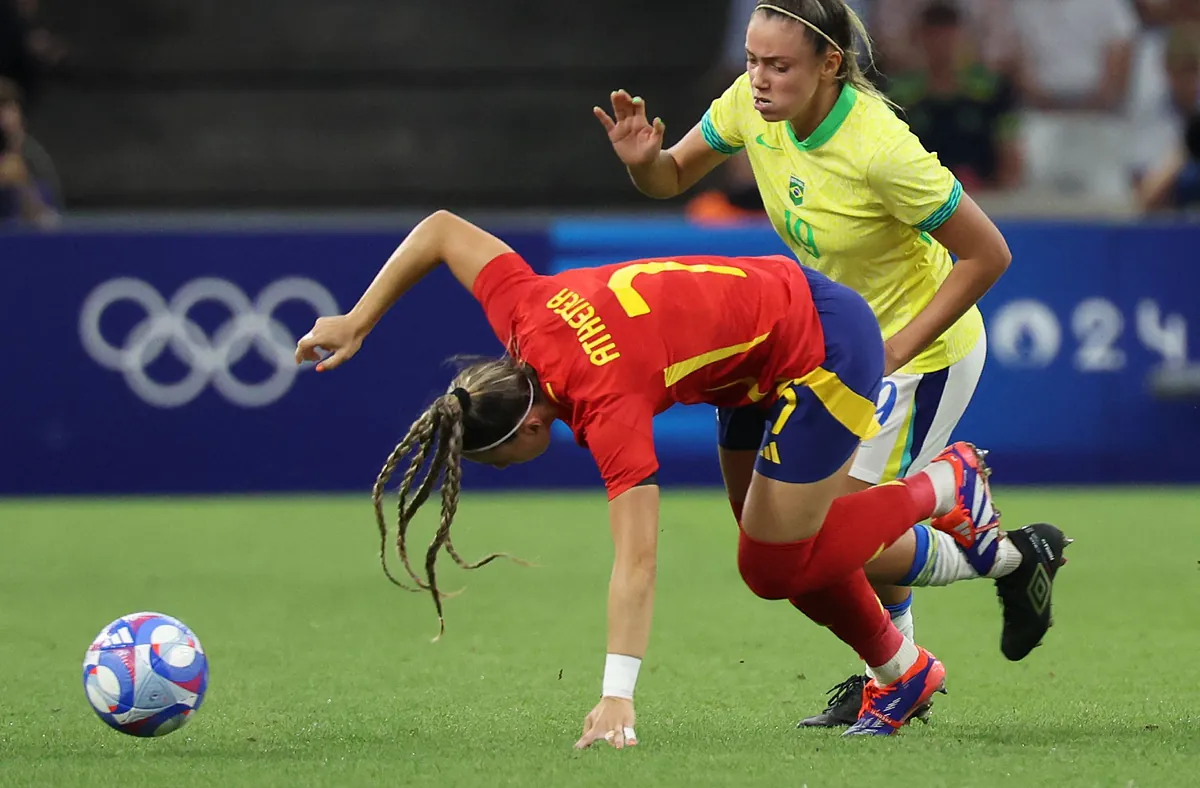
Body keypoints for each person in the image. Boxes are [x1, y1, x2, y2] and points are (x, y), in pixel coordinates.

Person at [294, 209, 1070, 746]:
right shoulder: (523, 311)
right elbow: (441, 231)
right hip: (749, 359)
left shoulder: (604, 404)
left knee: (768, 563)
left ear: (532, 424)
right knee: (789, 549)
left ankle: (946, 487)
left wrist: (616, 694)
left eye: (498, 461)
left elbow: (637, 563)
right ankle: (902, 672)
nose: (509, 469)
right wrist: (356, 319)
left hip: (822, 341)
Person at [593, 0, 1038, 726]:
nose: (759, 79)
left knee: (826, 540)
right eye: (751, 61)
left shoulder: (880, 148)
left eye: (778, 66)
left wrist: (896, 350)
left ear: (831, 64)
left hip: (917, 356)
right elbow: (672, 179)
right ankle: (939, 623)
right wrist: (646, 164)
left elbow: (988, 254)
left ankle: (968, 554)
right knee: (813, 536)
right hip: (832, 350)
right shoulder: (751, 107)